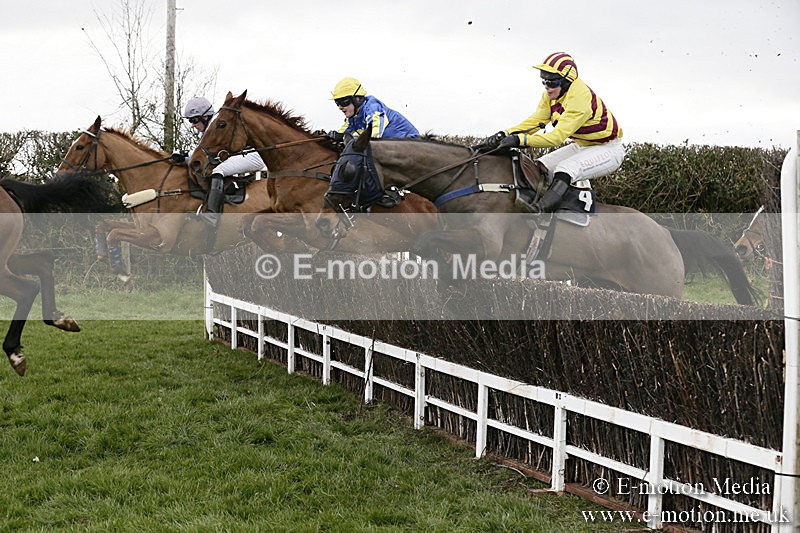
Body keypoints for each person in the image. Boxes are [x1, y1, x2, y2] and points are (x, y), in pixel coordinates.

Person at [483, 52, 624, 214]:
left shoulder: (580, 99)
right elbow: (536, 121)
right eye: (544, 81)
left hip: (608, 149)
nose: (547, 87)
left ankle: (541, 210)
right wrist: (505, 133)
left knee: (566, 168)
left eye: (552, 82)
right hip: (582, 145)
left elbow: (556, 138)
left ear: (567, 81)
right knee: (539, 167)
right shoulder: (550, 96)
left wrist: (520, 140)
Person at [178, 96, 266, 226]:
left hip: (253, 155)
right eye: (190, 121)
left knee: (217, 169)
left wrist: (187, 157)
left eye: (194, 120)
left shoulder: (217, 126)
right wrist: (185, 156)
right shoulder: (210, 128)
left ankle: (212, 214)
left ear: (205, 117)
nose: (193, 125)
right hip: (243, 155)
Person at [316, 77, 420, 142]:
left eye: (344, 102)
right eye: (337, 103)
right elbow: (343, 134)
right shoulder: (353, 118)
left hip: (411, 145)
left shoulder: (373, 108)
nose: (340, 107)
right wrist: (327, 138)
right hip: (391, 147)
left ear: (357, 99)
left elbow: (374, 138)